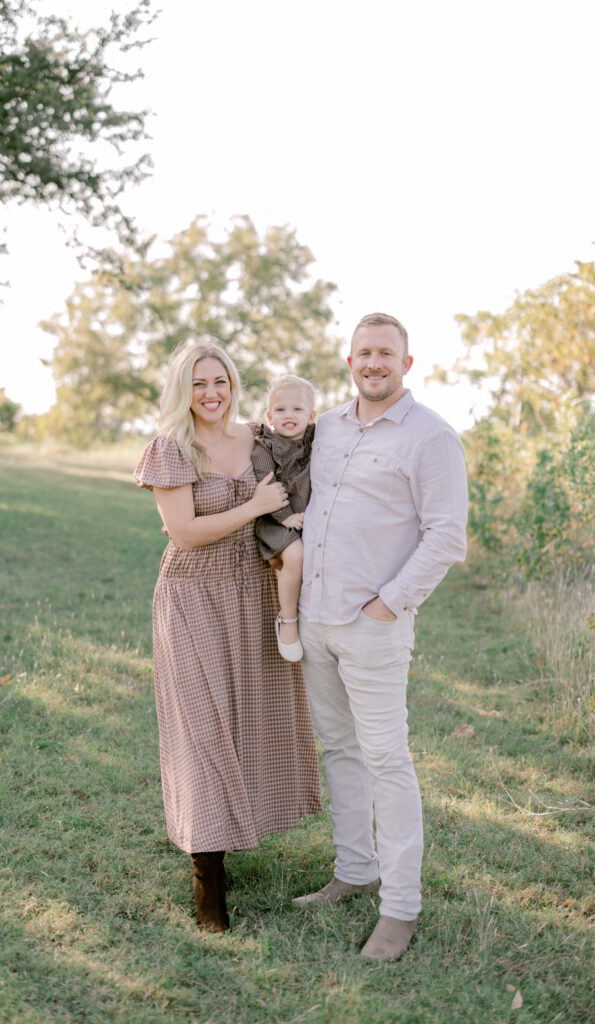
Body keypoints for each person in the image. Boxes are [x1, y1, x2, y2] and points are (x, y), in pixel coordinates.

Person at [293, 312, 468, 961]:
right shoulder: (328, 427)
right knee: (338, 748)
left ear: (405, 364)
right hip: (315, 618)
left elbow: (446, 536)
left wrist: (387, 605)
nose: (373, 363)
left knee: (386, 760)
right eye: (363, 352)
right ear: (349, 361)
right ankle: (354, 869)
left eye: (385, 354)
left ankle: (400, 908)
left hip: (374, 626)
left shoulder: (431, 436)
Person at [134, 339, 322, 935]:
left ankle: (237, 830)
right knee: (203, 729)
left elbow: (317, 447)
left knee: (251, 722)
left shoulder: (258, 435)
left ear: (234, 385)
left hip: (254, 591)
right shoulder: (171, 448)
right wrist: (256, 504)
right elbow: (184, 532)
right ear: (182, 390)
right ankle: (207, 882)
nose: (211, 393)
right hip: (193, 595)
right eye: (198, 383)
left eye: (220, 381)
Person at [251, 375, 316, 662]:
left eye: (297, 409)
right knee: (296, 555)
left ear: (311, 416)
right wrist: (285, 517)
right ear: (269, 417)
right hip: (274, 520)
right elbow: (267, 486)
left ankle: (313, 617)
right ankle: (287, 620)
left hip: (307, 519)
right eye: (280, 410)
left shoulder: (317, 439)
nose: (288, 415)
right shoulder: (264, 446)